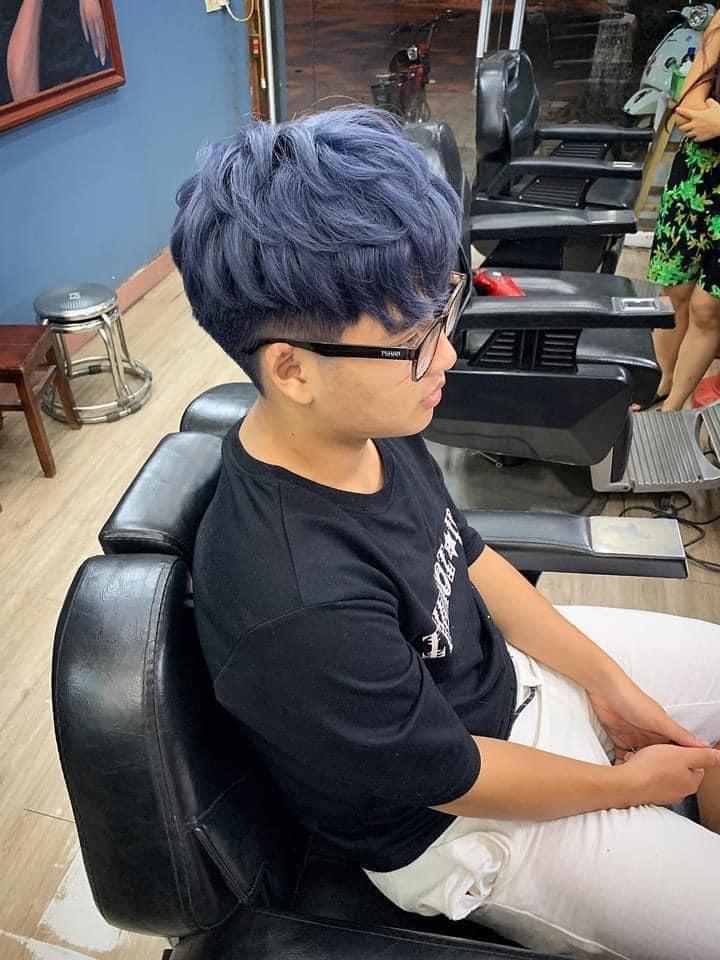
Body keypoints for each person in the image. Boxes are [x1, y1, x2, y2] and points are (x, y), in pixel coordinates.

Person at [171, 107, 720, 960]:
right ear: (292, 369)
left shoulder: (369, 423)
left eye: (444, 314)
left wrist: (607, 684)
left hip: (505, 683)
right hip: (459, 823)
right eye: (414, 341)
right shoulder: (295, 601)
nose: (450, 358)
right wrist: (627, 787)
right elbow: (455, 776)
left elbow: (467, 555)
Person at [645, 12, 720, 411]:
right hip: (697, 175)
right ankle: (660, 379)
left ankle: (674, 405)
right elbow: (689, 102)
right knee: (673, 290)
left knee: (709, 308)